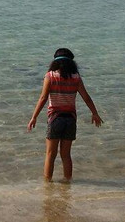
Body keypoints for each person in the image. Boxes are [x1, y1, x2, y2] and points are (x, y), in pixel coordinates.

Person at [28, 48, 102, 181]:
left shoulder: (50, 76)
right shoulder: (76, 78)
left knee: (50, 154)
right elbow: (86, 97)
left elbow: (43, 97)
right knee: (66, 155)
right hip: (70, 119)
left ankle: (47, 184)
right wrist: (95, 113)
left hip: (55, 118)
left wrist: (34, 117)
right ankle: (68, 181)